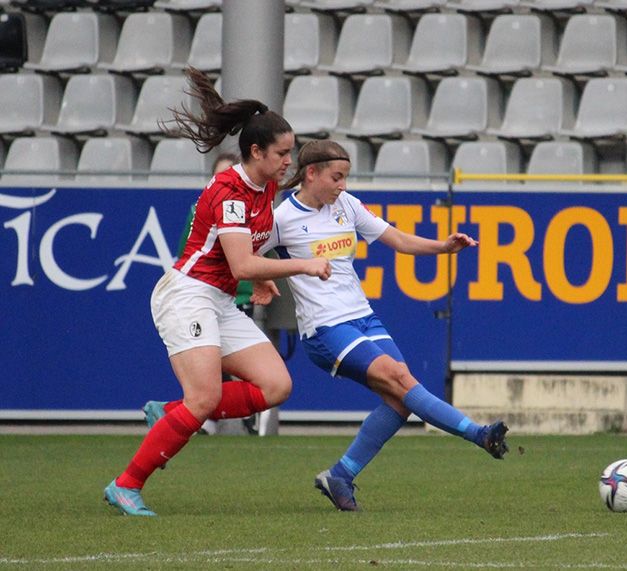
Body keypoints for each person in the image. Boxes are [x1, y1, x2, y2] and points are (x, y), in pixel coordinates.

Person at [103, 68, 331, 517]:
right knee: (204, 399)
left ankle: (169, 412)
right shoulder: (229, 191)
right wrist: (300, 265)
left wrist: (264, 277)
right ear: (256, 151)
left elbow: (246, 252)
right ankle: (126, 484)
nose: (290, 161)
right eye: (283, 153)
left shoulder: (263, 186)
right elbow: (242, 261)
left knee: (275, 385)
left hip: (218, 298)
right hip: (187, 294)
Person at [253, 139, 509, 512]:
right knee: (403, 381)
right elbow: (245, 256)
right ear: (311, 174)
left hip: (362, 316)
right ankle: (479, 434)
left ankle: (341, 475)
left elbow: (397, 238)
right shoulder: (281, 219)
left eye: (346, 178)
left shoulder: (348, 205)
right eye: (336, 177)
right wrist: (260, 279)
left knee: (399, 398)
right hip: (325, 329)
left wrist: (443, 247)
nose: (343, 185)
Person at [175, 152, 252, 436]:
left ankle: (249, 415)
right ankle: (207, 417)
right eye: (220, 175)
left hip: (240, 295)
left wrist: (258, 283)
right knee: (210, 360)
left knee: (248, 364)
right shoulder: (200, 209)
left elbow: (254, 253)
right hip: (206, 295)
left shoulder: (249, 209)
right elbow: (187, 253)